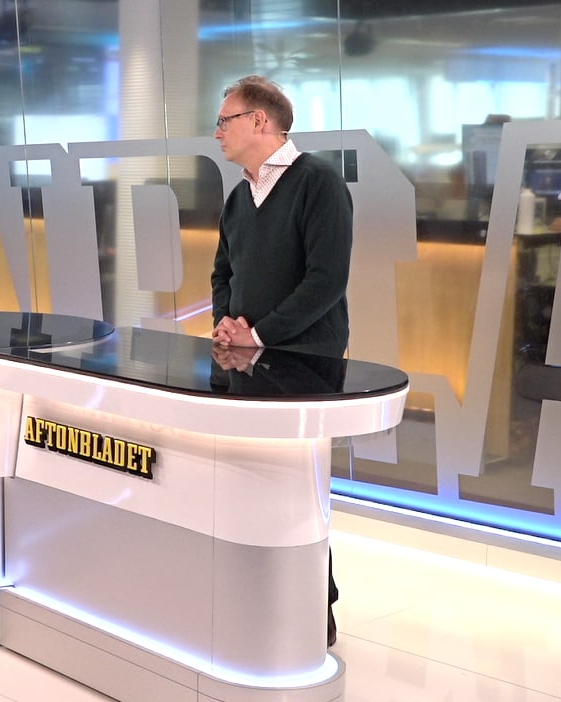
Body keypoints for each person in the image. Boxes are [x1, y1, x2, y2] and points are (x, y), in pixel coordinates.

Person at [209, 75, 353, 648]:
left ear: (259, 120)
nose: (217, 132)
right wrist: (228, 325)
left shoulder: (317, 181)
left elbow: (326, 280)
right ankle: (264, 600)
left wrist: (260, 334)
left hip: (305, 359)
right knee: (257, 482)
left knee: (299, 486)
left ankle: (317, 607)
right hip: (245, 361)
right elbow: (223, 273)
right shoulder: (239, 197)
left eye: (225, 120)